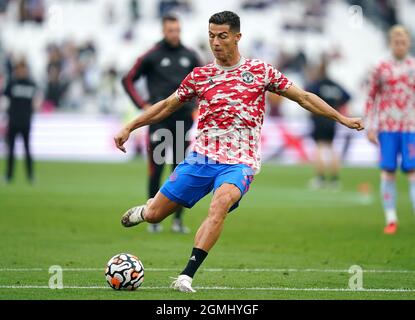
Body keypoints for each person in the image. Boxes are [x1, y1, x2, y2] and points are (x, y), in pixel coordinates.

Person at [114, 11, 364, 292]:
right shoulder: (201, 75)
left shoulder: (260, 72)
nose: (215, 43)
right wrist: (130, 126)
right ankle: (146, 210)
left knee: (220, 203)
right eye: (211, 36)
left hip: (239, 163)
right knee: (157, 214)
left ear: (237, 37)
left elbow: (304, 98)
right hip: (201, 158)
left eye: (222, 36)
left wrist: (342, 118)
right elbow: (166, 105)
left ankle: (187, 275)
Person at [122, 14, 200, 234]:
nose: (174, 34)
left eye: (177, 30)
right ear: (163, 31)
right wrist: (143, 105)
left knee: (180, 173)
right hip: (159, 122)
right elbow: (127, 79)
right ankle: (153, 220)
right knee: (156, 170)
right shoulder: (152, 56)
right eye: (170, 30)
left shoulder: (190, 55)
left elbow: (205, 84)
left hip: (182, 122)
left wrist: (196, 107)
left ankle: (177, 220)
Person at [365, 25, 415, 235]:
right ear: (390, 42)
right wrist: (369, 125)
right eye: (395, 40)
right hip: (387, 127)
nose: (399, 44)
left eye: (402, 40)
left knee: (412, 172)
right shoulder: (380, 67)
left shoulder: (414, 66)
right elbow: (371, 97)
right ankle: (391, 218)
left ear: (409, 42)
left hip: (411, 126)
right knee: (388, 171)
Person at [306, 58, 351, 189]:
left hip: (319, 118)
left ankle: (320, 178)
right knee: (331, 148)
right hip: (332, 118)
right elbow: (348, 96)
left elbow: (306, 96)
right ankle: (335, 179)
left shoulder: (317, 84)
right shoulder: (334, 84)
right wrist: (336, 105)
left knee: (320, 147)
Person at [3, 59, 38, 184]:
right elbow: (4, 98)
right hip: (13, 121)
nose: (21, 71)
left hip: (25, 122)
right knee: (11, 150)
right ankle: (9, 175)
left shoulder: (31, 84)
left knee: (27, 149)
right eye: (19, 69)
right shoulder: (12, 83)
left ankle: (30, 175)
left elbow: (35, 101)